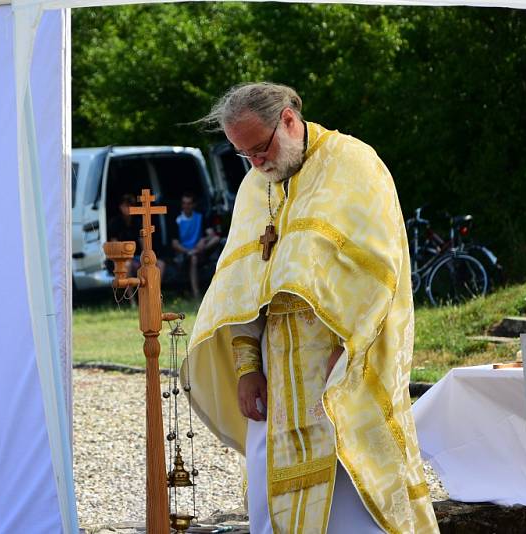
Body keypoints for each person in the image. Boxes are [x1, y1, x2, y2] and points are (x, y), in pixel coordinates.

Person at [182, 83, 439, 533]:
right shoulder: (253, 187)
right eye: (244, 155)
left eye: (259, 147)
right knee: (271, 500)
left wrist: (353, 345)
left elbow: (381, 268)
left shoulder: (353, 163)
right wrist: (246, 367)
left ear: (287, 119)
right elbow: (239, 290)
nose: (256, 162)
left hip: (339, 367)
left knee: (355, 501)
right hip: (276, 375)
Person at [107, 193, 166, 283]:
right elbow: (115, 246)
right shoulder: (114, 223)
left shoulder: (137, 222)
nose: (128, 209)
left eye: (130, 206)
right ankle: (131, 297)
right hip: (123, 258)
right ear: (120, 207)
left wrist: (146, 258)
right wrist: (127, 257)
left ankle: (154, 293)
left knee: (160, 264)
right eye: (125, 206)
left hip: (138, 256)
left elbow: (143, 242)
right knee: (127, 265)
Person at [171, 193, 220, 298]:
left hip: (199, 250)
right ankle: (196, 292)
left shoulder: (200, 217)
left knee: (216, 239)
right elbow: (174, 244)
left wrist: (204, 239)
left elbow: (211, 234)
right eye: (184, 203)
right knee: (193, 258)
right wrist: (187, 251)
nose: (186, 206)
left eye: (189, 203)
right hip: (185, 253)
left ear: (193, 205)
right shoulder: (177, 220)